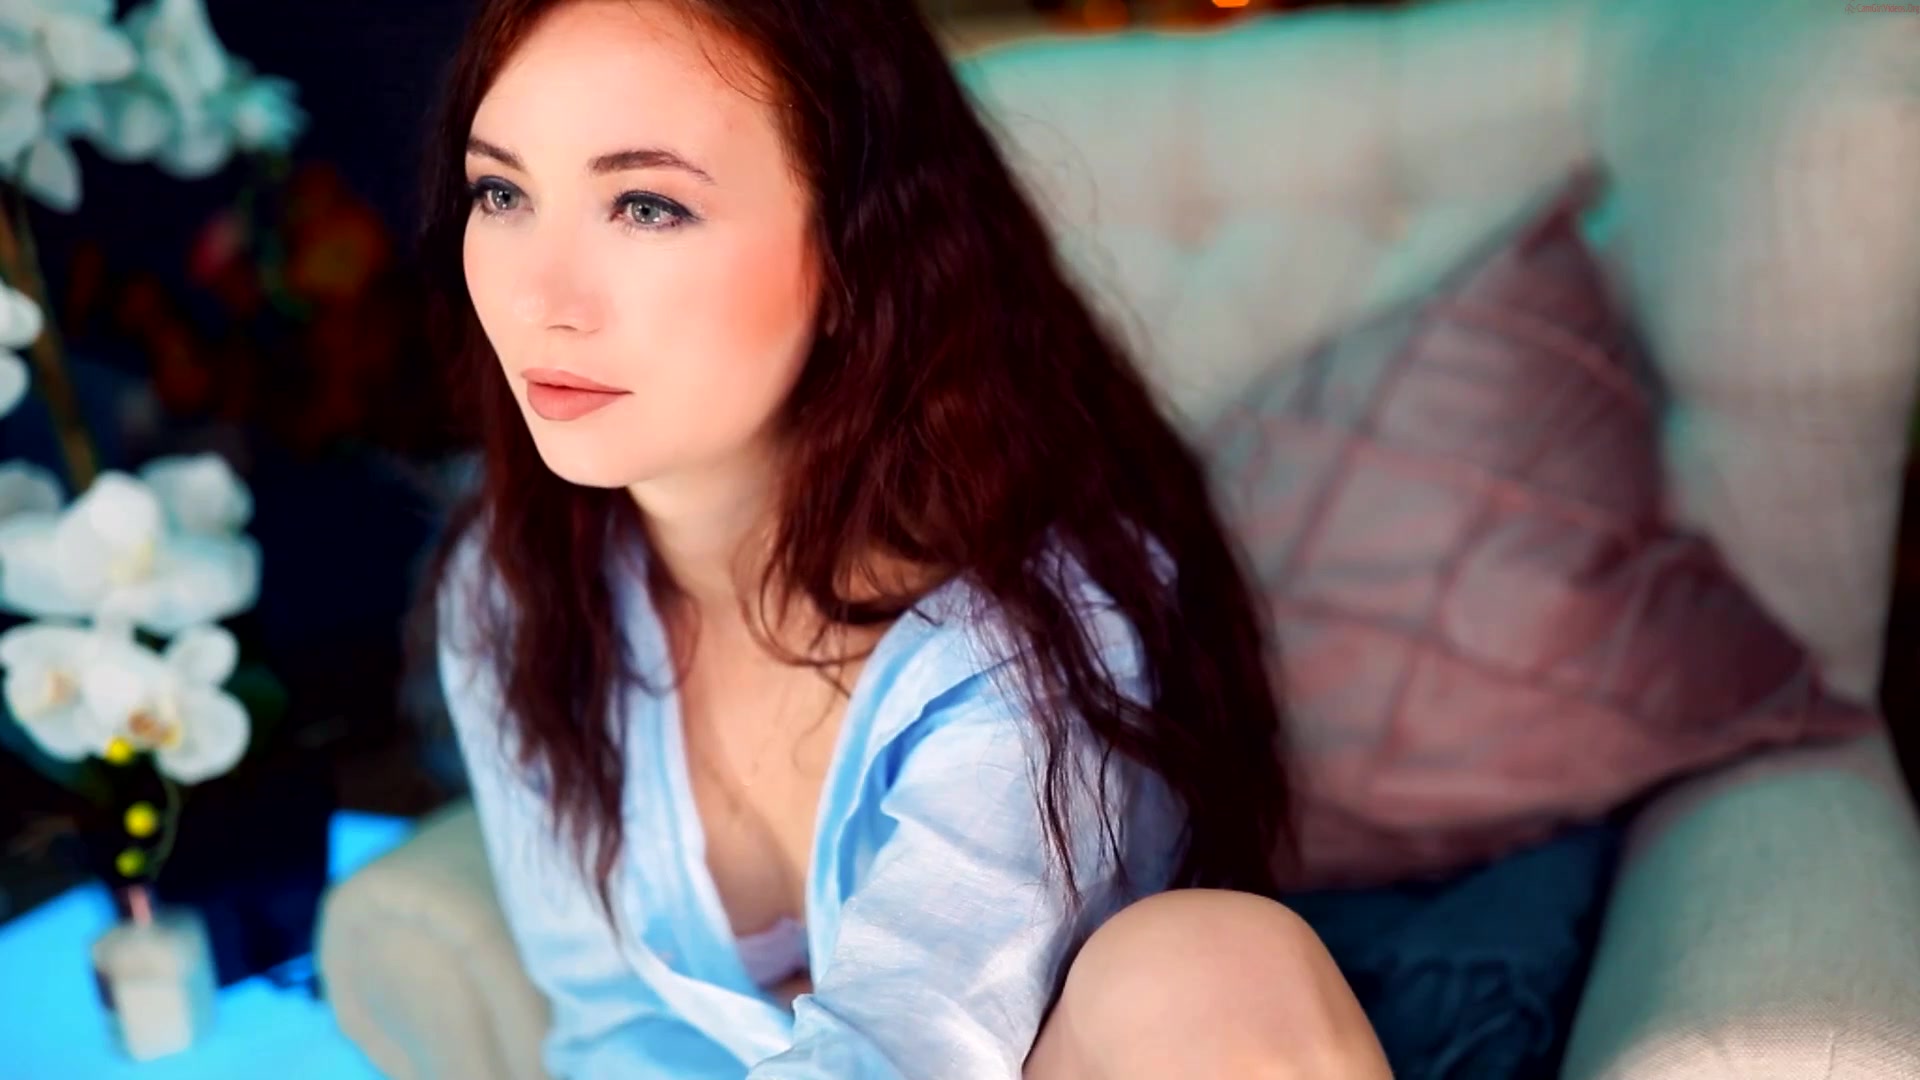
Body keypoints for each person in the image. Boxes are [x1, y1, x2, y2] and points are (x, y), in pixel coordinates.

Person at [424, 0, 1391, 1076]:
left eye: (647, 206)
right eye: (502, 193)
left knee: (1211, 964)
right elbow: (616, 1032)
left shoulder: (1026, 631)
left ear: (853, 256)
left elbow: (909, 1049)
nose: (541, 298)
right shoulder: (509, 589)